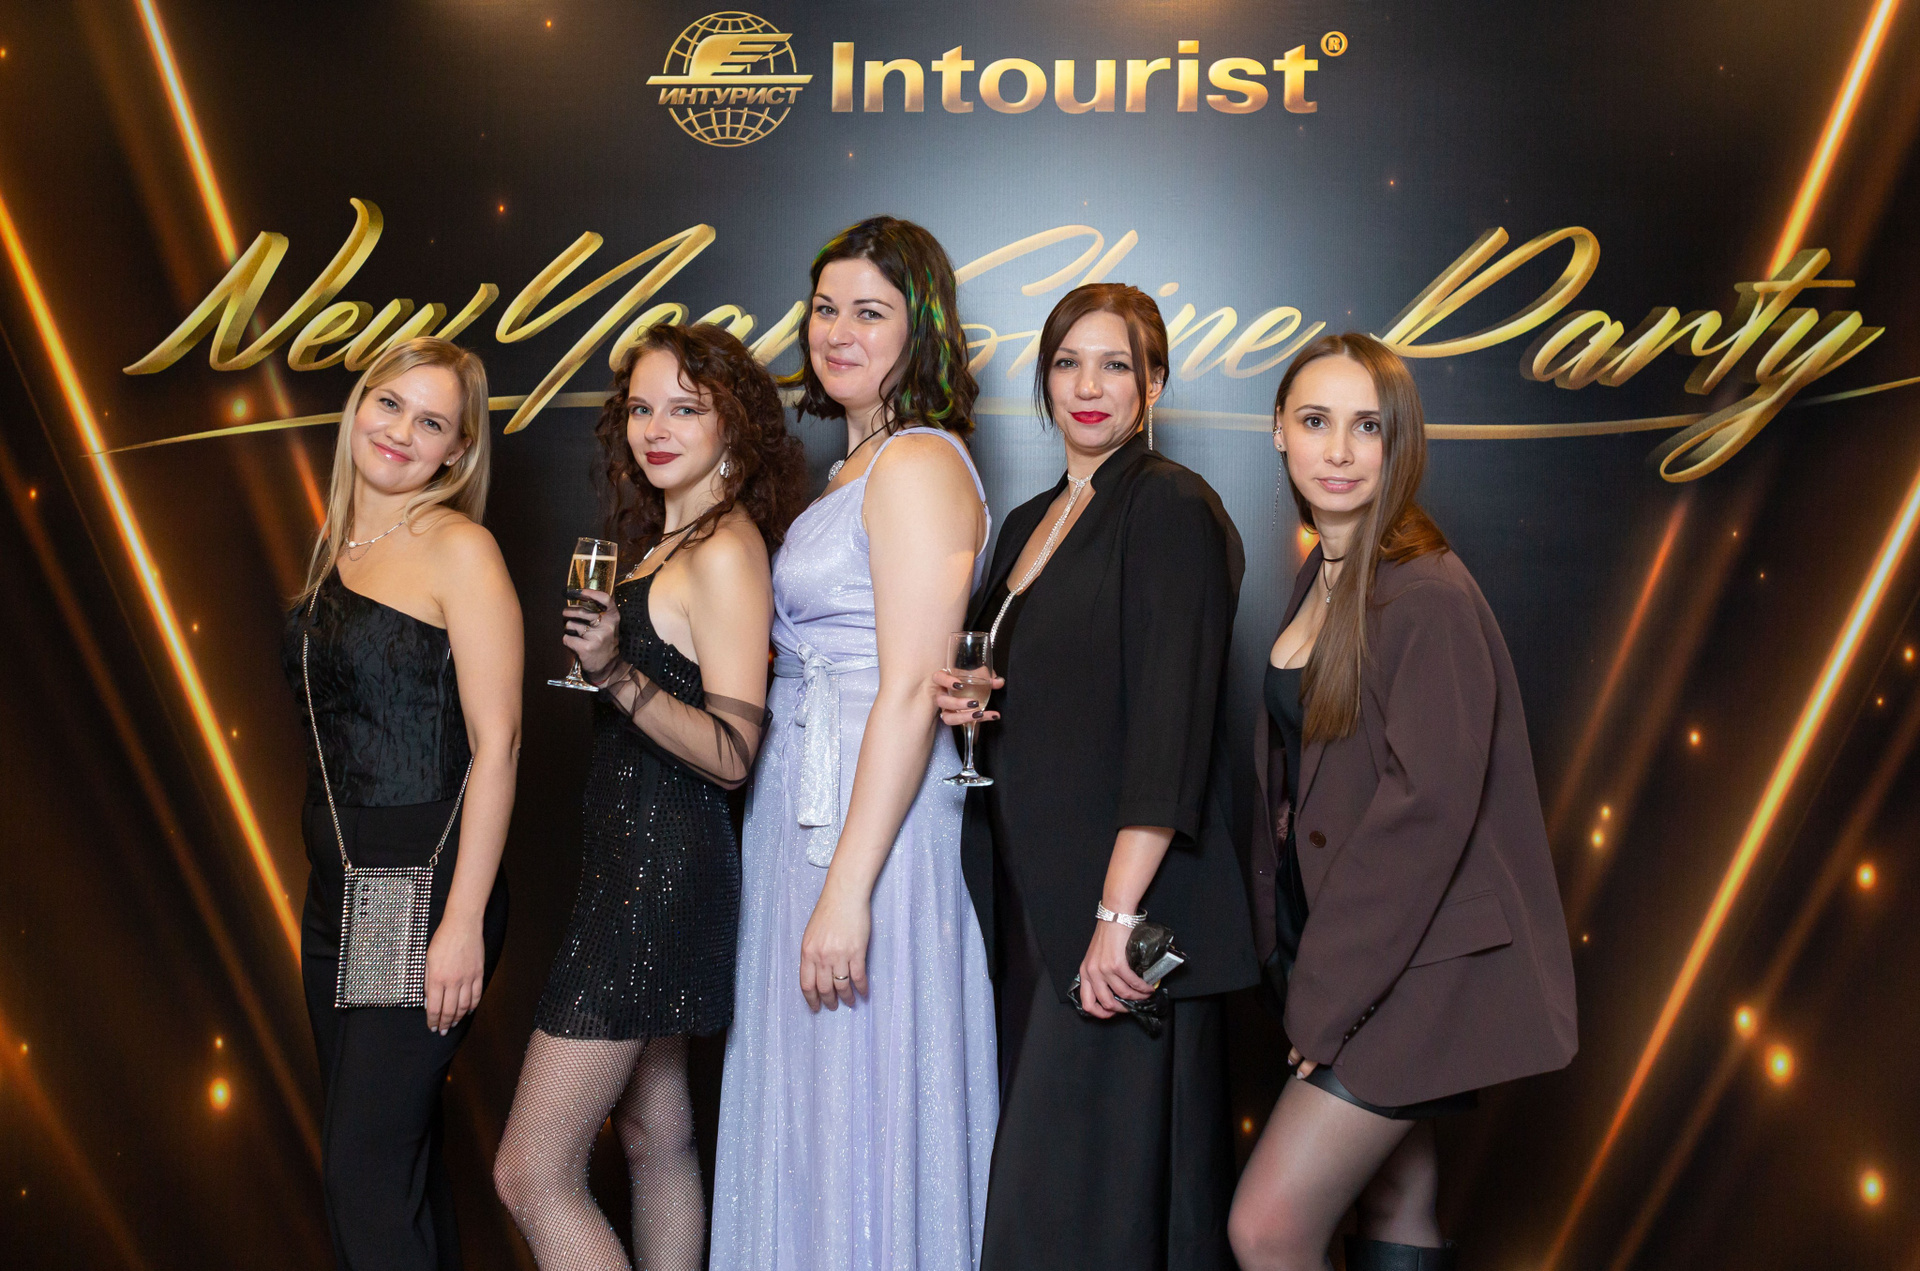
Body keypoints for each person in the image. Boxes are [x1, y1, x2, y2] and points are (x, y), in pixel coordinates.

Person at [1226, 333, 1578, 1271]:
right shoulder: (1326, 570)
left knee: (1266, 1227)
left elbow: (1424, 816)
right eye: (1315, 421)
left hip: (1410, 967)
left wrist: (1323, 1000)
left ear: (1400, 440)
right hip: (1353, 952)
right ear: (1278, 431)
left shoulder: (1423, 592)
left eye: (1368, 426)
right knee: (1396, 1196)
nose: (1340, 450)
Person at [931, 283, 1256, 1270]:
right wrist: (976, 701)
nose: (1088, 385)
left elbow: (1171, 724)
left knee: (1096, 1214)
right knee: (1064, 1205)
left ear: (1153, 383)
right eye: (1068, 362)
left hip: (1131, 922)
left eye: (1116, 364)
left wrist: (1117, 918)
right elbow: (1057, 691)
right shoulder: (1034, 519)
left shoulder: (1172, 506)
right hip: (1044, 903)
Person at [709, 216, 998, 1270]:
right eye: (825, 307)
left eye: (869, 311)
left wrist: (846, 890)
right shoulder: (853, 465)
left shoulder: (915, 462)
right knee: (808, 1098)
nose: (837, 331)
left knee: (861, 1091)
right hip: (806, 811)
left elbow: (913, 688)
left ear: (921, 332)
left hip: (870, 830)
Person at [493, 325, 806, 1270]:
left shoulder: (725, 550)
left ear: (733, 425)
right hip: (640, 866)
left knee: (531, 1173)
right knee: (653, 1136)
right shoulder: (672, 540)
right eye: (641, 408)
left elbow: (733, 752)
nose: (656, 428)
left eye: (684, 408)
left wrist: (616, 674)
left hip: (656, 880)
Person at [282, 336, 521, 1270]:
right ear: (359, 406)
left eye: (431, 422)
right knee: (399, 1168)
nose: (400, 431)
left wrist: (458, 921)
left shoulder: (458, 547)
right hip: (336, 891)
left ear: (457, 451)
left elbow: (499, 745)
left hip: (407, 889)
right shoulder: (342, 538)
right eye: (389, 404)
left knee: (366, 1175)